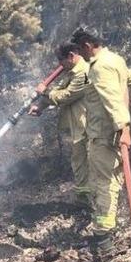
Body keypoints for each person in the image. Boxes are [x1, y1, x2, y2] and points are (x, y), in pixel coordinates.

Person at [70, 27, 131, 255]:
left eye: (80, 50)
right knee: (111, 182)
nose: (80, 55)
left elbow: (112, 100)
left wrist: (123, 127)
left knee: (103, 185)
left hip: (104, 136)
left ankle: (103, 237)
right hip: (111, 134)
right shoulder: (115, 59)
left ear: (87, 45)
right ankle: (108, 228)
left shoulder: (99, 68)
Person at [29, 43, 92, 209]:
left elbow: (67, 95)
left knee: (91, 162)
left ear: (71, 56)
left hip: (88, 125)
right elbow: (59, 89)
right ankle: (83, 199)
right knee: (79, 161)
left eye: (61, 60)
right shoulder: (71, 71)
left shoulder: (84, 72)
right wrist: (40, 106)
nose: (60, 65)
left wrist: (44, 92)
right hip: (78, 126)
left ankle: (96, 201)